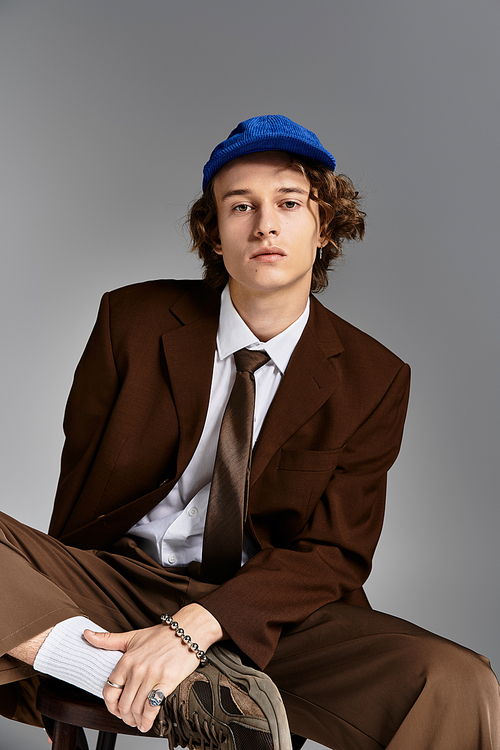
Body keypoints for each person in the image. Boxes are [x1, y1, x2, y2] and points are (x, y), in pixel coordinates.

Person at [1, 115, 499, 750]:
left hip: (262, 612)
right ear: (213, 235)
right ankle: (129, 676)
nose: (265, 224)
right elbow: (81, 485)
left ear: (326, 227)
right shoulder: (130, 320)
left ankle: (184, 675)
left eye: (289, 203)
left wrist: (199, 626)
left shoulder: (374, 378)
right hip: (116, 583)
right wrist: (44, 599)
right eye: (241, 206)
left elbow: (334, 553)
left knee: (456, 681)